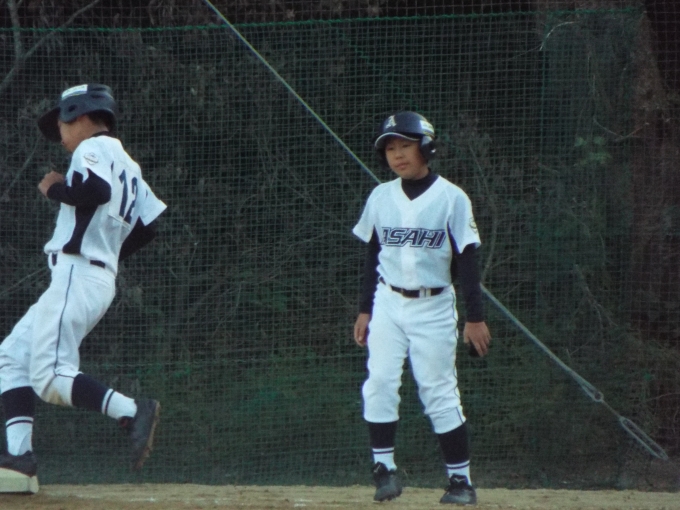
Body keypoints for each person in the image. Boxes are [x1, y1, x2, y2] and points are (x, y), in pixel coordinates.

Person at [0, 84, 166, 490]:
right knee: (11, 356)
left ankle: (131, 411)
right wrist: (107, 250)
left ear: (82, 115)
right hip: (92, 276)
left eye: (61, 122)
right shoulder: (128, 163)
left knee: (49, 376)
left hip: (77, 273)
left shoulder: (91, 148)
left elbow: (96, 191)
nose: (59, 132)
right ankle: (19, 460)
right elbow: (149, 225)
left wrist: (53, 189)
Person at [352, 111, 491, 505]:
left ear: (426, 148)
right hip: (387, 301)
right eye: (390, 149)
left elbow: (467, 261)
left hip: (433, 305)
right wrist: (365, 309)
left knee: (438, 390)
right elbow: (373, 256)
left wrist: (475, 317)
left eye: (405, 146)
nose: (397, 155)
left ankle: (460, 481)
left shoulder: (451, 197)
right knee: (379, 382)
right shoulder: (381, 197)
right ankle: (384, 470)